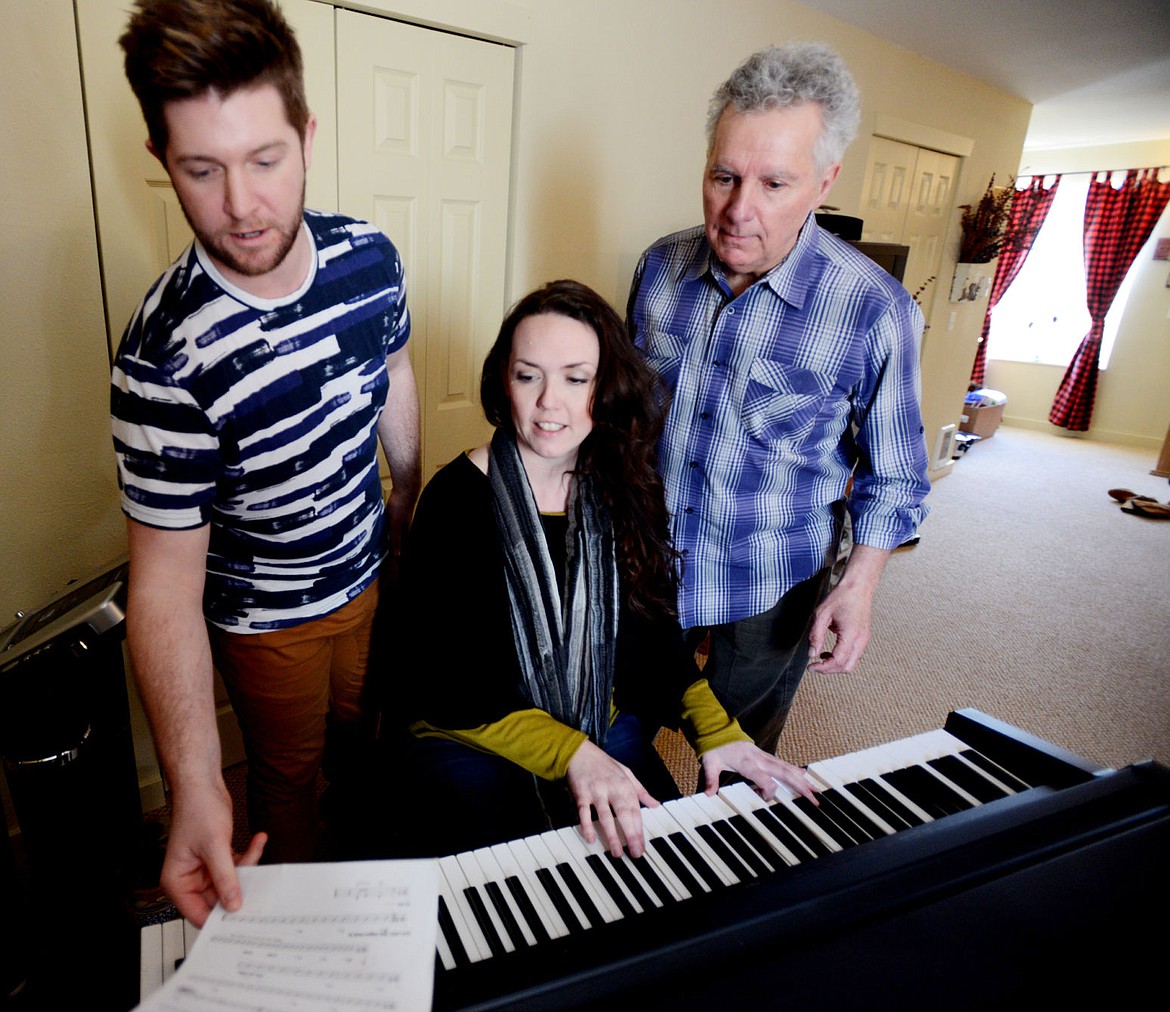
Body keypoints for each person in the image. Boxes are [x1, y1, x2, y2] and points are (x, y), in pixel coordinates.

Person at [110, 0, 420, 926]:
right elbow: (162, 590)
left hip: (370, 574)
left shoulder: (370, 257)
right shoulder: (161, 358)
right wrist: (197, 782)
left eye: (265, 160)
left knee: (371, 743)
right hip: (264, 620)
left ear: (307, 135)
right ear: (162, 161)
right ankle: (308, 925)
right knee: (288, 785)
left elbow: (396, 372)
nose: (243, 206)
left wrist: (407, 505)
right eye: (203, 170)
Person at [391, 280, 815, 860]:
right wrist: (577, 756)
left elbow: (655, 638)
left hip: (598, 714)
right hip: (468, 728)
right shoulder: (456, 500)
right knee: (519, 879)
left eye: (575, 377)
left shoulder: (624, 487)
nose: (549, 403)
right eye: (528, 375)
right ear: (503, 381)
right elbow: (448, 684)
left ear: (605, 386)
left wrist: (718, 733)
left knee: (665, 860)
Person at [627, 43, 930, 756]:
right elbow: (622, 416)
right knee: (622, 735)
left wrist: (859, 585)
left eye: (774, 184)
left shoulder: (874, 310)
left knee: (738, 762)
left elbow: (896, 478)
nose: (738, 210)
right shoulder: (658, 269)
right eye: (723, 176)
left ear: (825, 181)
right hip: (645, 565)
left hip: (771, 577)